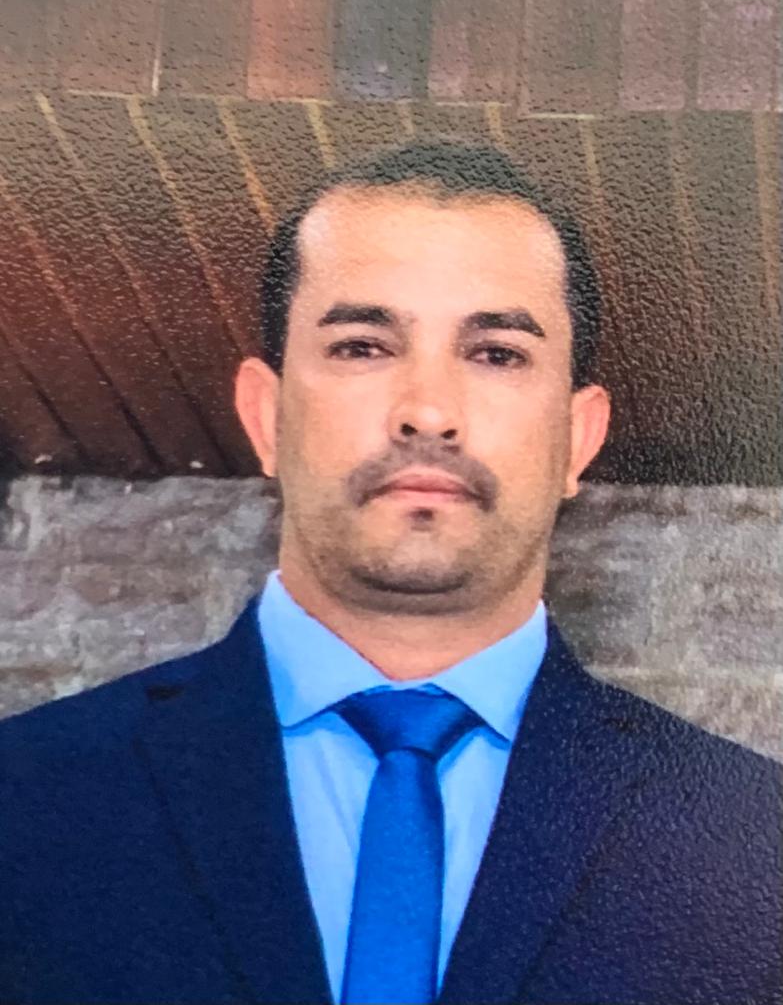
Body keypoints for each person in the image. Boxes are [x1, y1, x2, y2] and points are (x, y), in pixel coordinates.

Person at [1, 142, 780, 1005]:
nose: (428, 411)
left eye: (496, 353)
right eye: (363, 346)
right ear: (266, 417)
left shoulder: (756, 844)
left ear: (578, 438)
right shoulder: (23, 797)